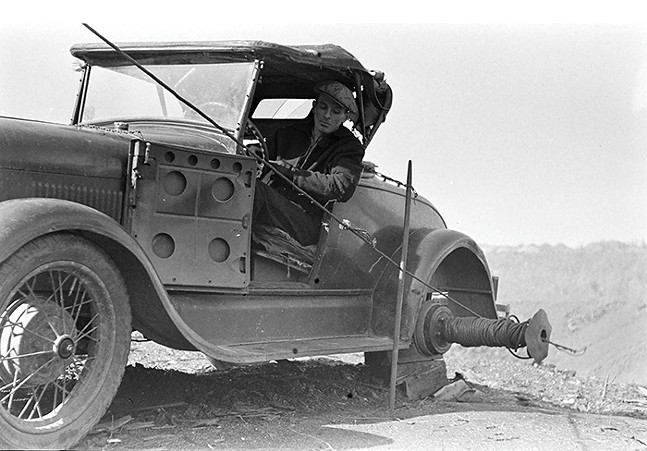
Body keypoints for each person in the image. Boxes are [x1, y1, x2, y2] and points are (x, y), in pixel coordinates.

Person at [252, 81, 365, 246]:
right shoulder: (290, 132)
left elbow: (341, 186)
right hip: (276, 206)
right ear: (314, 106)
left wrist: (291, 174)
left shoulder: (348, 147)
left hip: (307, 222)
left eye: (336, 112)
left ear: (345, 117)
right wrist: (252, 152)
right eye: (323, 107)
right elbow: (263, 150)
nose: (327, 115)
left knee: (255, 191)